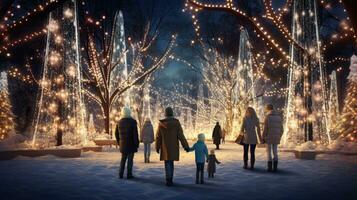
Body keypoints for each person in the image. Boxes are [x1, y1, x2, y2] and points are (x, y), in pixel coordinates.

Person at [156, 107, 190, 186]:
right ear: (172, 113)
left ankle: (168, 179)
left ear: (165, 114)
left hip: (165, 147)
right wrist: (186, 146)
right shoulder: (176, 123)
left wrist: (157, 147)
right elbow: (181, 135)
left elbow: (158, 137)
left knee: (167, 162)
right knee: (171, 162)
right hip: (173, 147)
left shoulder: (161, 124)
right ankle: (170, 178)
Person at [115, 106, 139, 179]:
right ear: (129, 113)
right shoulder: (133, 122)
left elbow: (116, 134)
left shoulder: (119, 122)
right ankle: (129, 174)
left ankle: (120, 174)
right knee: (130, 160)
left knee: (123, 159)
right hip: (131, 144)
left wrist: (119, 142)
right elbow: (135, 134)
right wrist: (136, 143)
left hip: (123, 144)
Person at [262, 104, 283, 172]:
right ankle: (275, 167)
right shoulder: (279, 117)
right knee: (275, 151)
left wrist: (263, 136)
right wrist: (279, 135)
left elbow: (265, 129)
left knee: (268, 151)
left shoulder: (267, 117)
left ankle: (269, 167)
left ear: (268, 109)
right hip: (276, 137)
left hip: (269, 137)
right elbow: (282, 129)